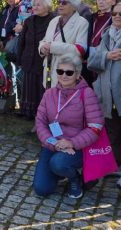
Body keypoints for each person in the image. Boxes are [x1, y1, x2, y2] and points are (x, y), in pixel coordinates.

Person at [33, 54, 105, 201]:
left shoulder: (87, 94)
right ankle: (60, 172)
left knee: (58, 163)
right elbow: (40, 122)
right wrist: (55, 143)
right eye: (60, 71)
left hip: (78, 147)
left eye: (69, 72)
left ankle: (75, 179)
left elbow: (95, 127)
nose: (64, 75)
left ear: (77, 74)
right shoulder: (49, 94)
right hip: (54, 144)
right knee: (42, 189)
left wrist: (71, 143)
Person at [86, 1, 121, 189]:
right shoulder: (106, 34)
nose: (117, 17)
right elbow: (91, 61)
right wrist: (107, 56)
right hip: (106, 94)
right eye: (115, 13)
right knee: (112, 131)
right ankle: (112, 163)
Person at [39, 0, 88, 89]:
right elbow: (44, 40)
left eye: (64, 2)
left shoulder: (82, 23)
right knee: (50, 101)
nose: (60, 4)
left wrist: (53, 47)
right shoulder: (54, 21)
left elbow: (80, 49)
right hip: (49, 70)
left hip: (67, 74)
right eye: (59, 2)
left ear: (74, 6)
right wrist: (42, 48)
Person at [17, 0, 54, 120]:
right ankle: (27, 111)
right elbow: (22, 40)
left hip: (43, 60)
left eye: (38, 4)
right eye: (34, 4)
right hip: (28, 57)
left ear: (47, 6)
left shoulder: (54, 20)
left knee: (41, 87)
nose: (35, 7)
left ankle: (41, 114)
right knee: (28, 86)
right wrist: (20, 57)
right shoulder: (29, 21)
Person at [81, 0, 120, 86]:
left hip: (105, 61)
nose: (101, 1)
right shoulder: (90, 17)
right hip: (87, 61)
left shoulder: (117, 19)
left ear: (113, 1)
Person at [0, 0, 22, 108]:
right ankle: (7, 98)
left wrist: (5, 41)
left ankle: (16, 100)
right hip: (3, 43)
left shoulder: (21, 9)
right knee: (6, 71)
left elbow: (15, 29)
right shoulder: (5, 9)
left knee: (14, 72)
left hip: (12, 45)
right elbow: (0, 25)